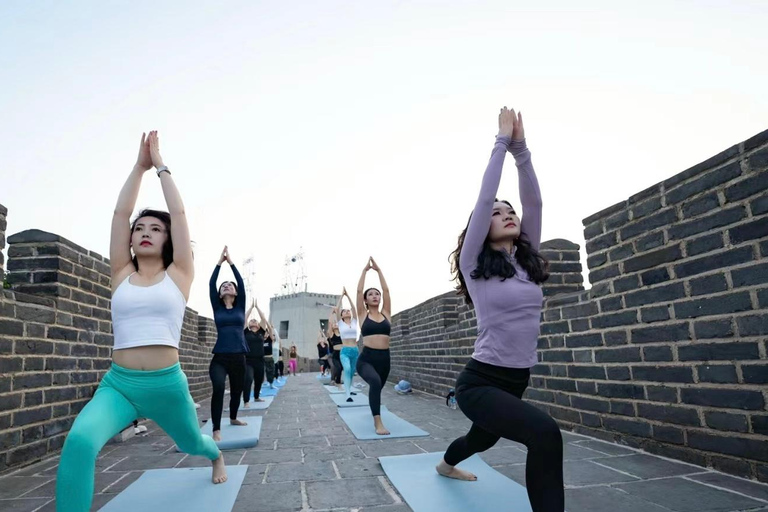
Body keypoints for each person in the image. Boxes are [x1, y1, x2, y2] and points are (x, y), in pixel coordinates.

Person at [56, 132, 226, 512]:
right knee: (80, 441)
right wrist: (138, 167)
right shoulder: (121, 273)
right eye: (139, 229)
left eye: (155, 229)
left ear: (167, 240)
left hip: (167, 384)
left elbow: (180, 216)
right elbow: (119, 215)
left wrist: (160, 166)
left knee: (191, 444)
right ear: (130, 241)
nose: (145, 232)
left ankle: (216, 455)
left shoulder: (179, 274)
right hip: (119, 385)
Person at [437, 107, 562, 512]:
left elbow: (535, 203)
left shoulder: (526, 263)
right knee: (545, 433)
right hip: (480, 382)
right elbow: (485, 196)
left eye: (511, 212)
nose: (507, 214)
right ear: (479, 228)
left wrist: (523, 150)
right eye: (496, 213)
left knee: (480, 440)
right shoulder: (474, 265)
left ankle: (445, 464)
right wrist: (502, 143)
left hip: (515, 380)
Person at [209, 246, 249, 441]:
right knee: (218, 388)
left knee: (236, 391)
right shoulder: (217, 308)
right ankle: (216, 428)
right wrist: (219, 263)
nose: (226, 285)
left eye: (229, 285)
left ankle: (233, 417)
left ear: (235, 292)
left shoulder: (240, 305)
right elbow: (211, 283)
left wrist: (231, 263)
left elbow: (240, 282)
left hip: (239, 356)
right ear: (219, 293)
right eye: (223, 285)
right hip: (220, 357)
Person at [356, 257, 392, 435]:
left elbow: (386, 290)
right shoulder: (362, 315)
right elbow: (358, 290)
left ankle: (374, 410)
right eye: (370, 294)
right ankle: (378, 423)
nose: (375, 296)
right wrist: (364, 271)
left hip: (385, 359)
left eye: (376, 294)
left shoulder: (386, 314)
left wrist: (378, 271)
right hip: (366, 359)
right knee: (375, 382)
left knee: (377, 387)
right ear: (365, 300)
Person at [333, 287, 360, 402]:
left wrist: (348, 295)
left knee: (352, 371)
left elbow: (354, 308)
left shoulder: (354, 322)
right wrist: (341, 296)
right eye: (344, 311)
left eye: (347, 310)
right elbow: (337, 308)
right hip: (345, 351)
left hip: (355, 350)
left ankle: (349, 388)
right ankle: (347, 394)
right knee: (347, 369)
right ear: (342, 315)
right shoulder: (340, 324)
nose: (347, 311)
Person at [243, 299, 269, 407]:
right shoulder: (246, 332)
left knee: (259, 379)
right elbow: (244, 318)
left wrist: (257, 307)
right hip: (248, 360)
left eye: (255, 321)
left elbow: (263, 318)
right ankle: (246, 401)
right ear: (249, 324)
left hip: (259, 360)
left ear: (258, 325)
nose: (253, 321)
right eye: (251, 321)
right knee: (248, 379)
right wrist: (251, 308)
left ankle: (257, 397)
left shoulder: (261, 332)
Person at [326, 312, 344, 388]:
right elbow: (329, 323)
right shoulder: (331, 334)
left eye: (337, 323)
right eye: (334, 324)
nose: (335, 324)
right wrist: (331, 314)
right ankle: (337, 382)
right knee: (338, 368)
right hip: (335, 354)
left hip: (343, 353)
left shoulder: (342, 333)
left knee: (341, 369)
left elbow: (342, 322)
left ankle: (337, 381)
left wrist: (337, 314)